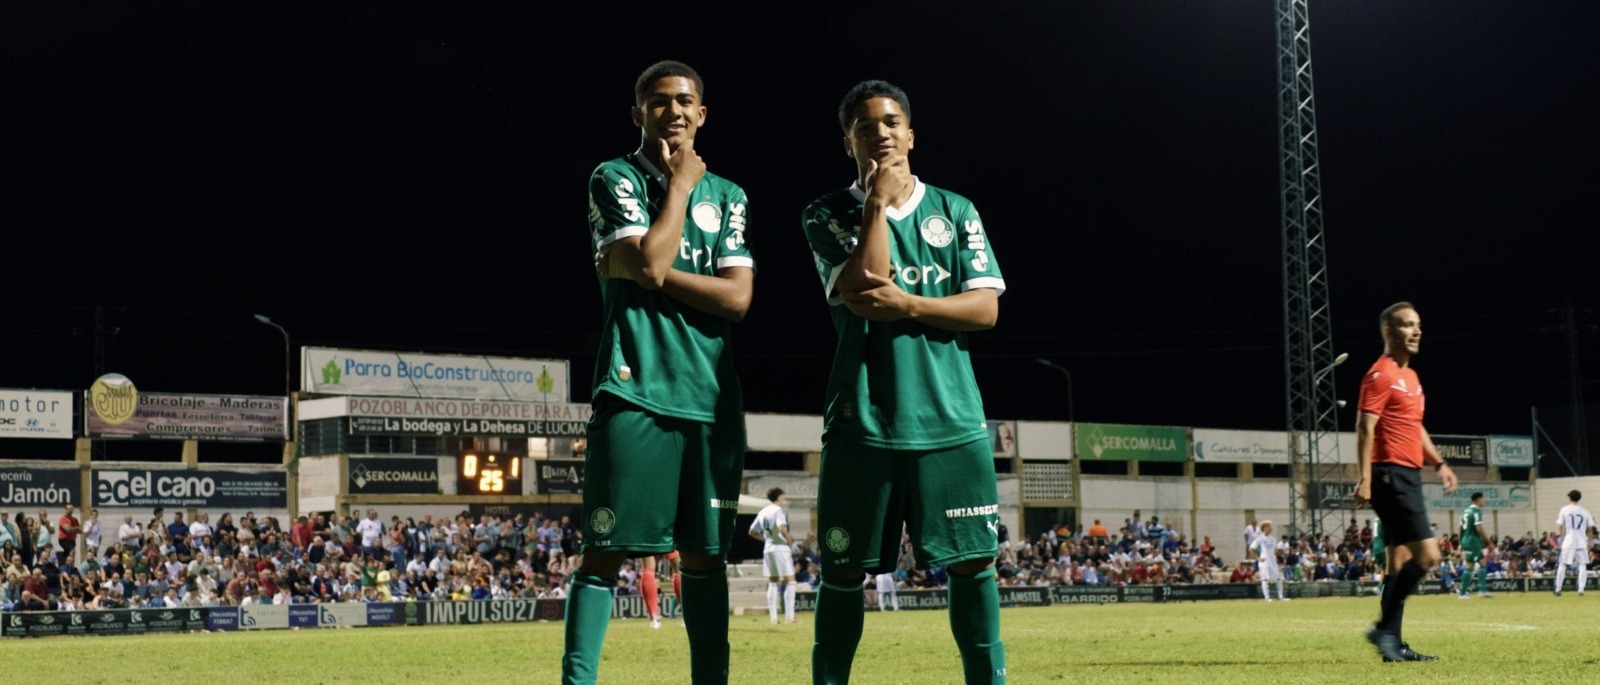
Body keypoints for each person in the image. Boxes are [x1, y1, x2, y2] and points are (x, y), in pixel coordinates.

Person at [802, 79, 1007, 685]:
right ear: (849, 142)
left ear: (911, 133)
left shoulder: (956, 209)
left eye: (892, 122)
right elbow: (866, 291)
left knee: (974, 565)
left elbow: (985, 309)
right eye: (866, 126)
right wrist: (874, 206)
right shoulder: (825, 212)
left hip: (951, 421)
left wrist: (913, 305)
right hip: (864, 421)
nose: (882, 132)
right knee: (842, 573)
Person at [562, 59, 754, 685]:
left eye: (685, 101)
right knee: (604, 551)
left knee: (704, 556)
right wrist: (677, 189)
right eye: (659, 100)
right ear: (638, 112)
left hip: (711, 395)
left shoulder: (729, 196)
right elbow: (647, 268)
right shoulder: (613, 177)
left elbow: (737, 300)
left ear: (702, 113)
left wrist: (649, 266)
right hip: (633, 386)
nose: (673, 110)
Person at [1353, 301, 1458, 663]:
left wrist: (1439, 462)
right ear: (1388, 331)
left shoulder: (1411, 378)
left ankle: (1393, 646)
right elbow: (1365, 427)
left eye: (1418, 325)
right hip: (1390, 474)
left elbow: (1415, 427)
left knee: (1396, 565)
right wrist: (1365, 478)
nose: (1416, 332)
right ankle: (1384, 631)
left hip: (1407, 473)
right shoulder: (1379, 374)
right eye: (1407, 325)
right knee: (1429, 555)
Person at [748, 487, 797, 625]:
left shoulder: (763, 511)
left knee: (773, 582)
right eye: (783, 495)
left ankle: (774, 618)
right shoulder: (778, 510)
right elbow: (782, 528)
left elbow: (752, 531)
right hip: (781, 549)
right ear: (779, 497)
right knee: (790, 581)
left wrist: (767, 539)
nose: (784, 498)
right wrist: (790, 542)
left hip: (768, 548)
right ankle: (790, 617)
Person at [1553, 489, 1595, 596]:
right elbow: (1590, 528)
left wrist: (1562, 539)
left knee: (1562, 564)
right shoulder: (1585, 511)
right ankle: (1581, 589)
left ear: (1570, 498)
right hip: (1581, 541)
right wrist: (1588, 541)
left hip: (1569, 540)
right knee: (1582, 565)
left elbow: (1561, 526)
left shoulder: (1565, 509)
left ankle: (1558, 588)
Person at [1456, 492, 1491, 598]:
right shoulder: (1476, 511)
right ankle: (1462, 593)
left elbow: (1460, 528)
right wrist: (1488, 541)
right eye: (1483, 499)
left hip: (1467, 540)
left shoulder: (1465, 511)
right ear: (1478, 500)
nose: (1484, 501)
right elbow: (1479, 528)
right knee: (1469, 566)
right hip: (1473, 541)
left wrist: (1460, 542)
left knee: (1483, 563)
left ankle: (1482, 590)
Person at [1249, 520, 1288, 601]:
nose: (1271, 528)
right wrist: (1258, 558)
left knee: (1278, 578)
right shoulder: (1260, 538)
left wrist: (1279, 557)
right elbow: (1252, 548)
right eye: (1269, 526)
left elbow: (1275, 551)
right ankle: (1267, 597)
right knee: (1265, 579)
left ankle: (1281, 597)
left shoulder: (1273, 538)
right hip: (1264, 562)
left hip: (1272, 562)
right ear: (1264, 528)